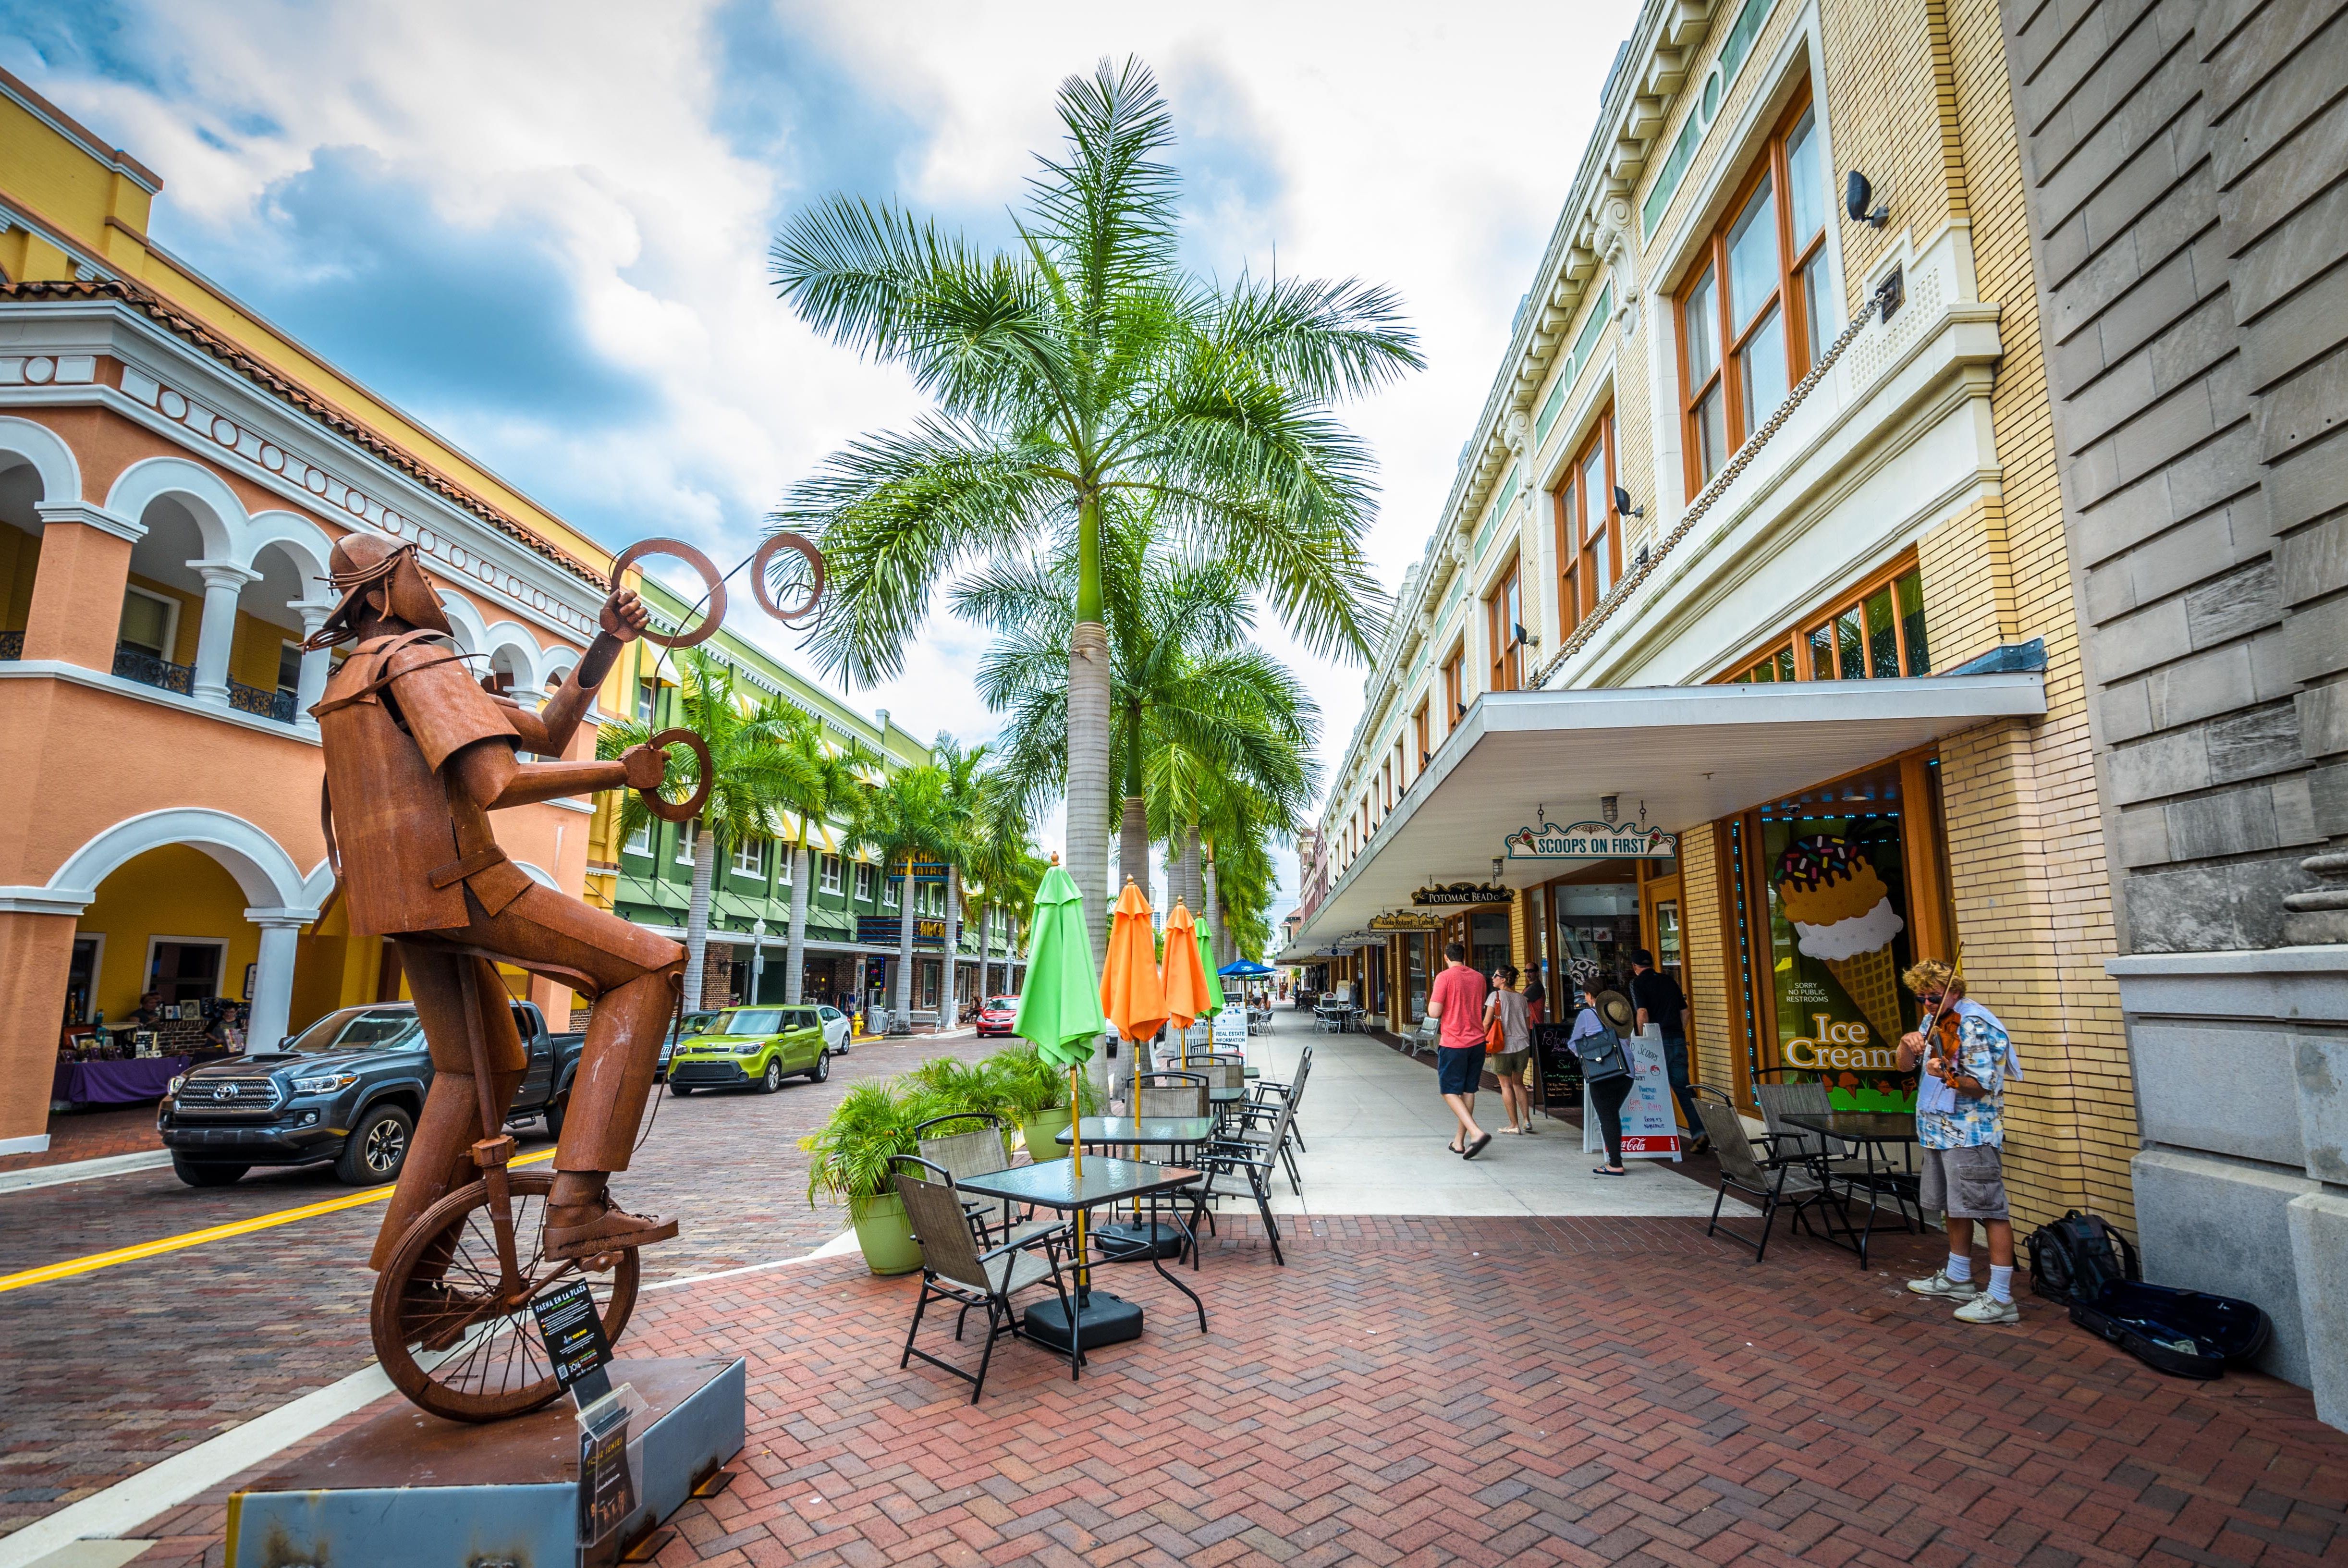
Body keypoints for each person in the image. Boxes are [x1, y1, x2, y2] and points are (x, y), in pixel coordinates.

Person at [306, 533, 686, 1268]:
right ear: (383, 592)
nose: (436, 589)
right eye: (420, 571)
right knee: (650, 966)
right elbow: (498, 784)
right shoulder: (419, 655)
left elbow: (546, 733)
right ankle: (578, 1206)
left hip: (404, 907)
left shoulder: (352, 679)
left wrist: (607, 644)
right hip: (466, 882)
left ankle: (413, 1282)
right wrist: (622, 774)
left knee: (481, 1065)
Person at [1897, 960, 2023, 1325]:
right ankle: (1958, 1277)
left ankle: (2001, 1298)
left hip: (1971, 1132)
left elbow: (1984, 1084)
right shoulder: (1933, 1021)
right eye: (1921, 998)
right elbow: (1905, 1067)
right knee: (1955, 1206)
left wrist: (1949, 1075)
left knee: (1989, 1209)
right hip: (1938, 1129)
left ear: (1955, 992)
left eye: (1934, 997)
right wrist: (1907, 1044)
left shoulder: (1976, 1025)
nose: (1927, 1005)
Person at [1628, 949, 1705, 1153]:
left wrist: (1642, 1039)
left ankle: (1660, 1136)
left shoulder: (1638, 983)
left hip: (1656, 1043)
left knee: (1654, 1088)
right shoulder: (1669, 981)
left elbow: (1642, 1012)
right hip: (1677, 1039)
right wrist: (1679, 1032)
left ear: (1635, 967)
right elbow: (1686, 1012)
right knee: (1683, 1087)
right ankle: (1700, 1131)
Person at [1423, 941, 1492, 1159]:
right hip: (1477, 1041)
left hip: (1454, 1042)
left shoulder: (1444, 977)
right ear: (1465, 957)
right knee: (1468, 1091)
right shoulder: (1479, 978)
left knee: (1449, 1091)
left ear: (1446, 958)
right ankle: (1460, 1142)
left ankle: (1476, 1133)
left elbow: (1434, 1012)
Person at [1571, 983, 1636, 1175]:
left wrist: (1589, 1056)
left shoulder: (1587, 1016)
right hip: (1627, 1072)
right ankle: (1615, 1160)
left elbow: (1574, 1043)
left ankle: (1615, 1164)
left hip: (1603, 1072)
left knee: (1607, 1118)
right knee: (1612, 1116)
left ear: (1590, 996)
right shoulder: (1620, 1013)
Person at [1483, 964, 1535, 1135]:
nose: (1493, 978)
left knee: (1506, 1086)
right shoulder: (1522, 999)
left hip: (1502, 1046)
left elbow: (1486, 1023)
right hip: (1522, 1045)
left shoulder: (1495, 996)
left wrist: (1482, 1041)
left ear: (1504, 979)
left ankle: (1514, 1124)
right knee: (1518, 1083)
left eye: (1496, 976)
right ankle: (1527, 1121)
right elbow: (1528, 1024)